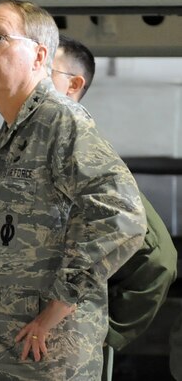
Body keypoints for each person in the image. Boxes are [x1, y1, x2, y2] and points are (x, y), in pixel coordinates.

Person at [0, 0, 147, 380]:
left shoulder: (61, 121)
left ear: (39, 54)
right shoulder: (18, 131)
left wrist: (55, 310)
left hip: (42, 357)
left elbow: (122, 217)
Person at [52, 34, 177, 380]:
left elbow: (158, 259)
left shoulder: (84, 155)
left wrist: (104, 330)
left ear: (73, 85)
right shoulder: (17, 150)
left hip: (65, 354)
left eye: (44, 69)